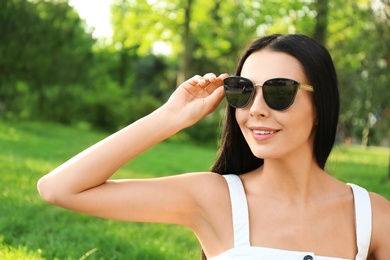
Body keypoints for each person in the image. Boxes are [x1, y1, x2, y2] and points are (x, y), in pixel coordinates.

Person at [37, 34, 390, 259]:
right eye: (243, 91)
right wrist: (171, 116)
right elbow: (59, 188)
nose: (256, 109)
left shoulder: (372, 216)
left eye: (280, 90)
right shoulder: (213, 198)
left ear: (321, 107)